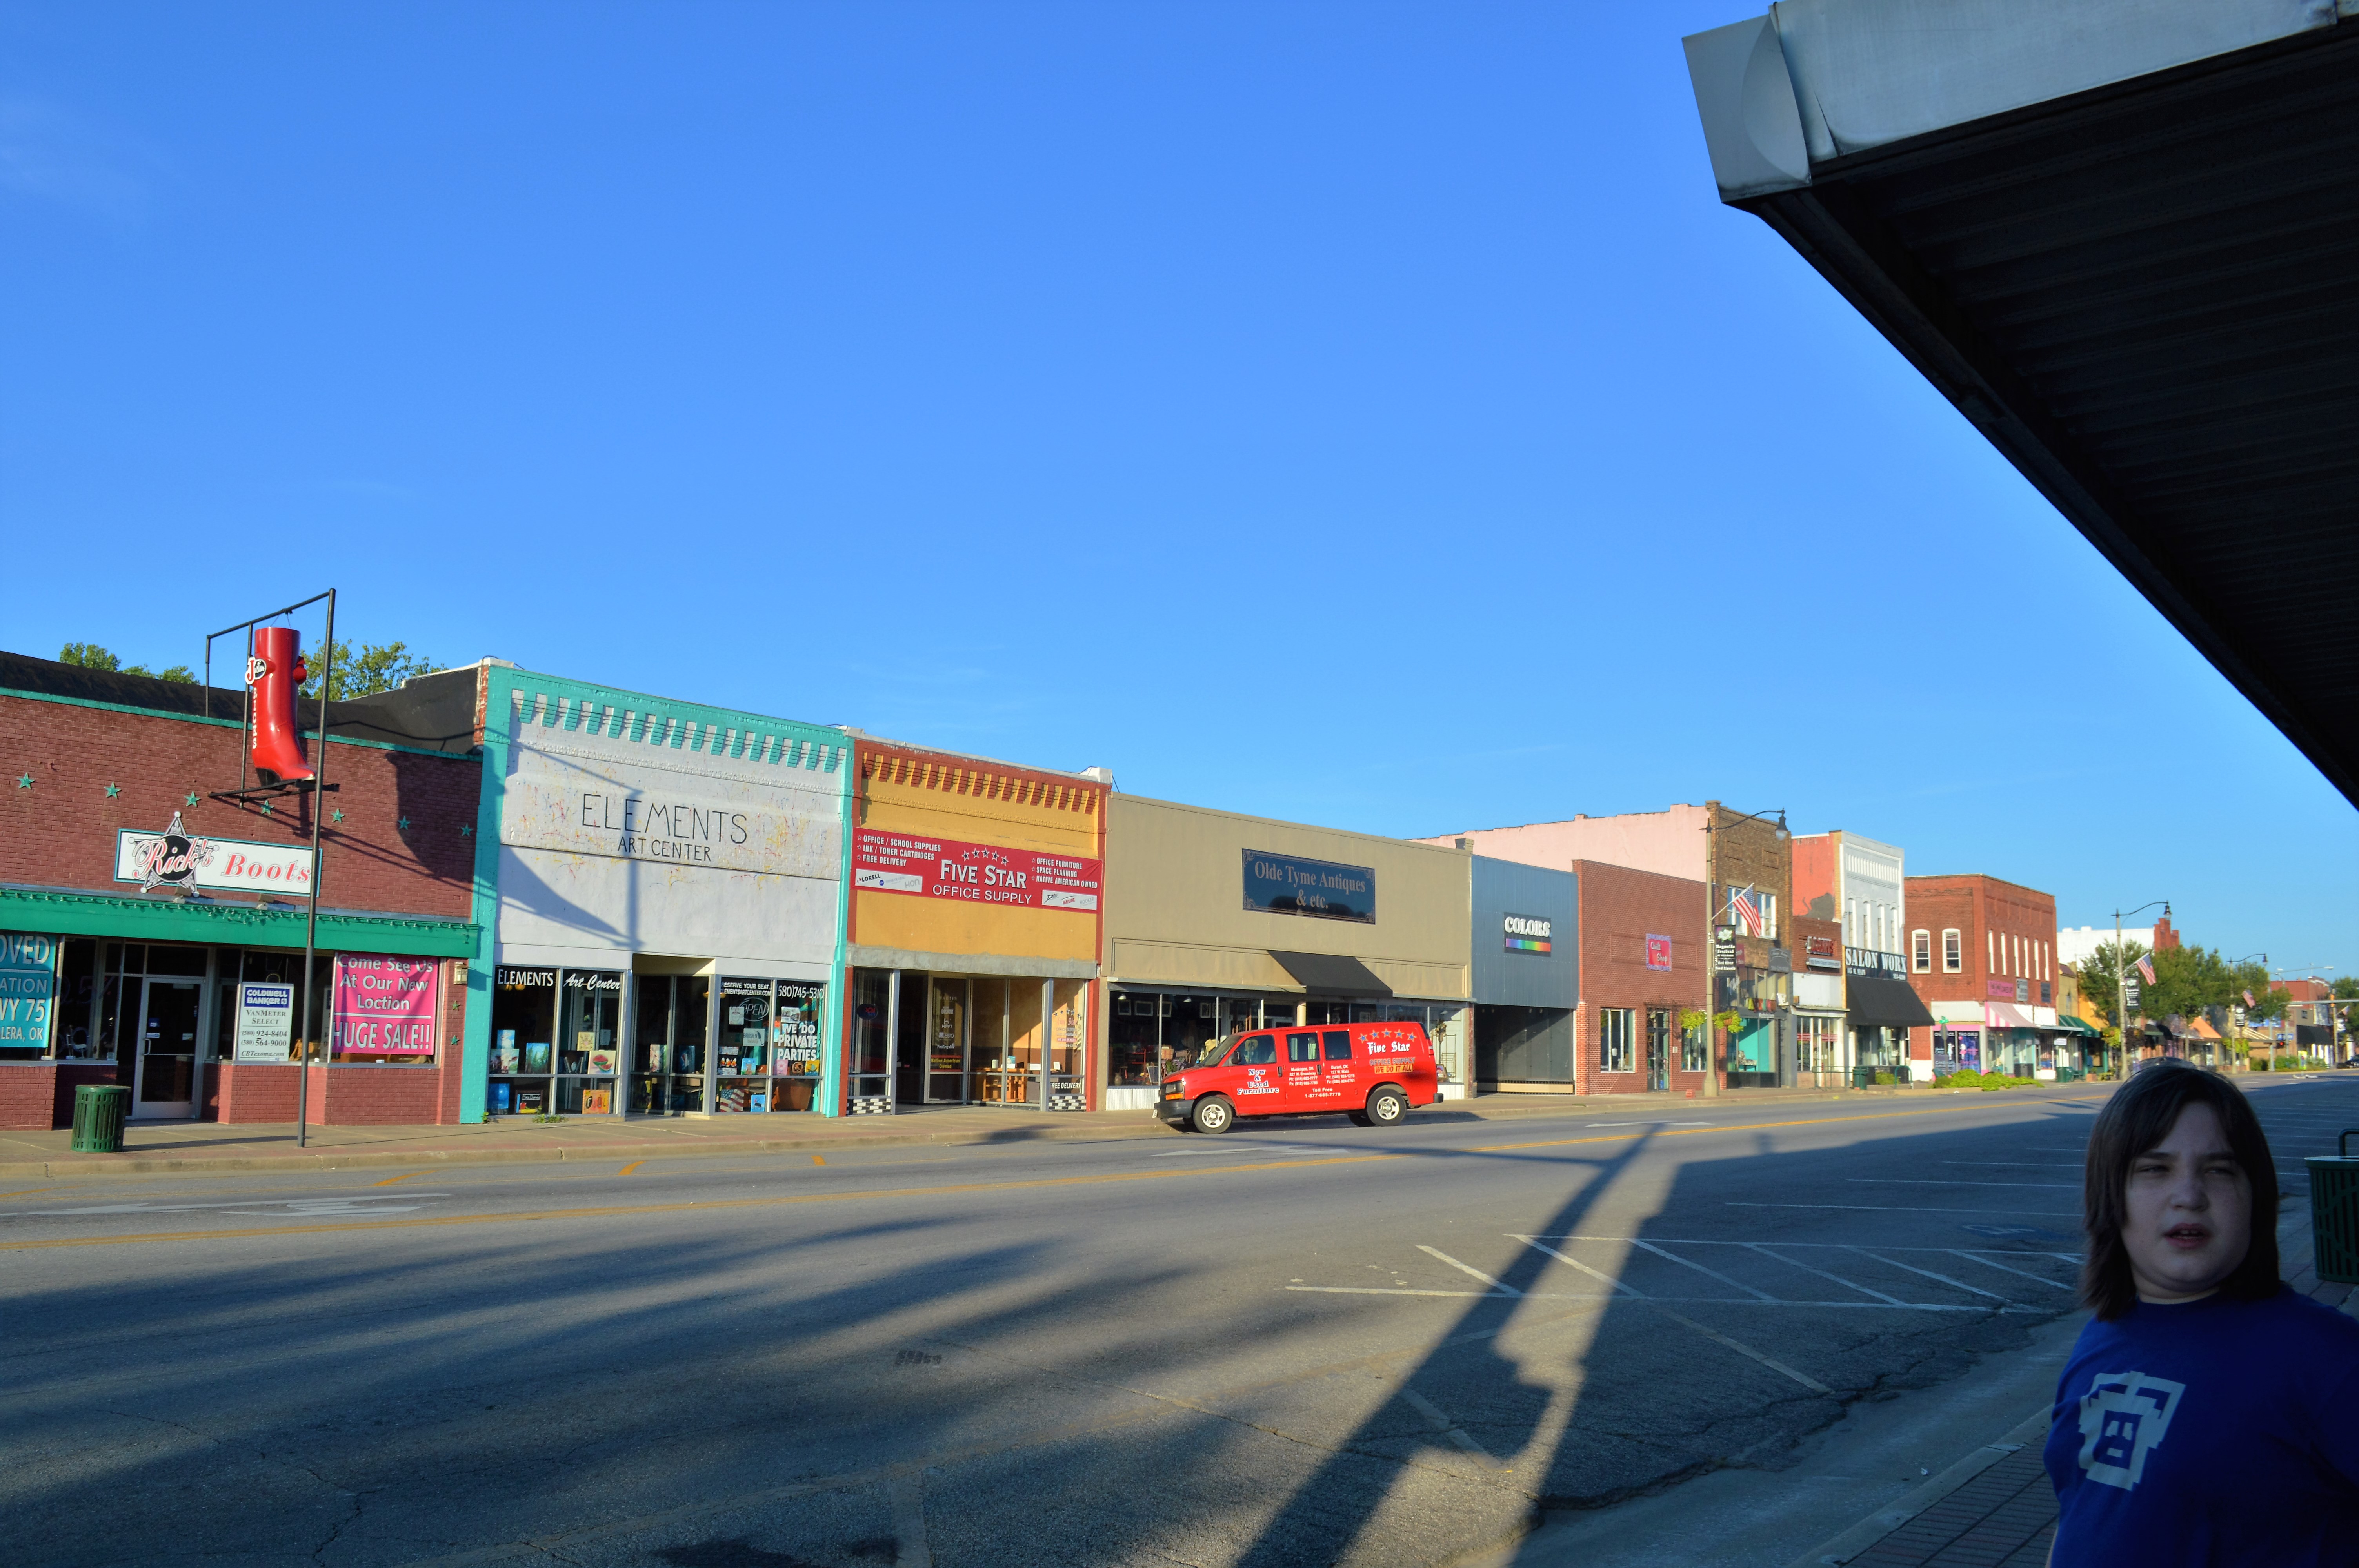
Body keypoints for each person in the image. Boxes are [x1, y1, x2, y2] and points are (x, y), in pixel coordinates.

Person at [2045, 1062, 2359, 1564]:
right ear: (2110, 1195)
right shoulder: (2102, 1337)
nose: (2189, 1197)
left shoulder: (2329, 1360)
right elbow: (2081, 1508)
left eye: (2219, 1170)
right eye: (2154, 1169)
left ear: (2254, 1195)